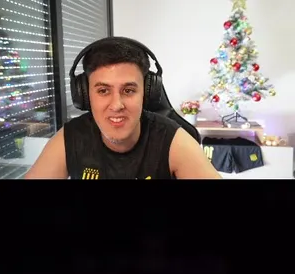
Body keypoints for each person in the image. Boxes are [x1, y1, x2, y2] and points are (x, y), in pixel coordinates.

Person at [24, 37, 220, 179]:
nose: (117, 105)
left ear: (147, 93)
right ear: (85, 95)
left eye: (128, 90)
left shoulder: (173, 140)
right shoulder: (71, 138)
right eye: (103, 91)